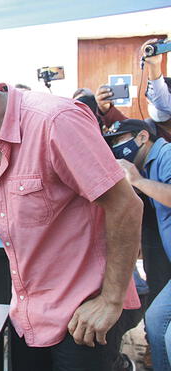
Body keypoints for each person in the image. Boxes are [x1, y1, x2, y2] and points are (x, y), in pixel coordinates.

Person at [0, 58, 142, 370]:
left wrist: (110, 301)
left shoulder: (56, 122)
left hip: (82, 312)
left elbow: (125, 205)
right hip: (28, 313)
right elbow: (11, 200)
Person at [103, 119, 171, 370]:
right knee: (155, 322)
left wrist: (137, 181)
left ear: (142, 137)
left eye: (120, 140)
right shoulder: (146, 164)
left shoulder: (166, 155)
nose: (117, 148)